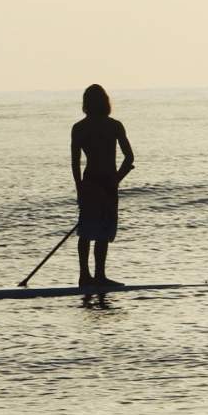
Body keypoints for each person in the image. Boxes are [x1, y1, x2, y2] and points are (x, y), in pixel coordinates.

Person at [70, 83, 134, 289]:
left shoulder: (79, 128)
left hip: (90, 183)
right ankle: (98, 276)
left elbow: (75, 163)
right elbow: (129, 157)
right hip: (107, 183)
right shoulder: (114, 125)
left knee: (88, 232)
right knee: (101, 233)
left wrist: (80, 188)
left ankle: (85, 276)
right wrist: (116, 179)